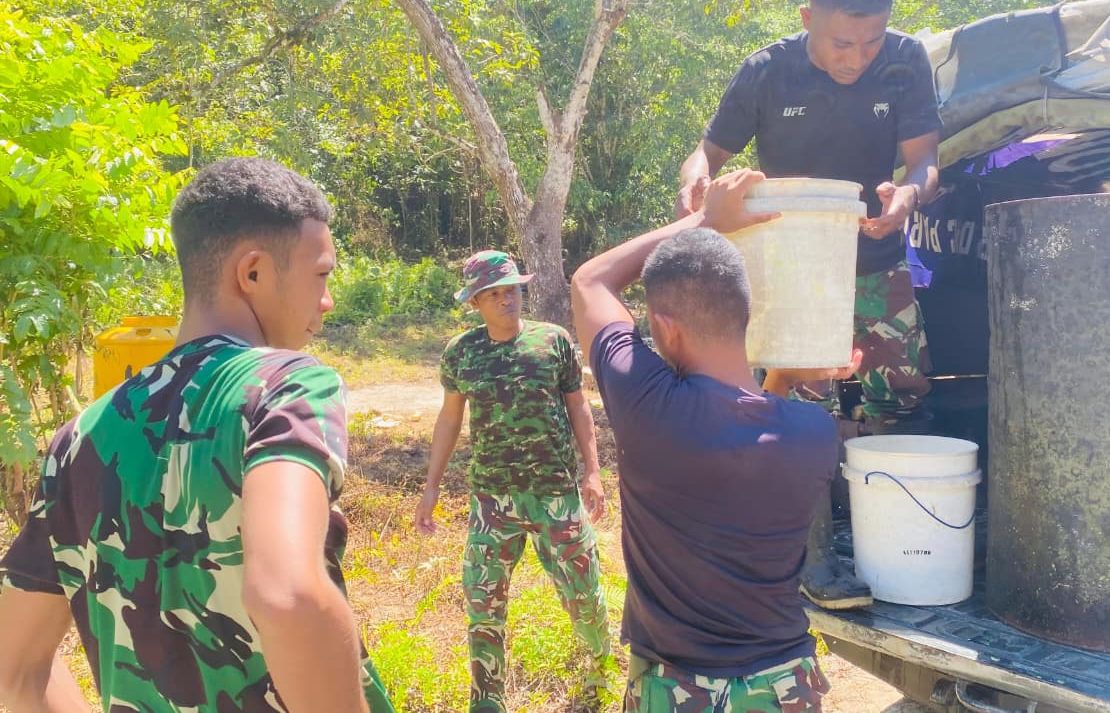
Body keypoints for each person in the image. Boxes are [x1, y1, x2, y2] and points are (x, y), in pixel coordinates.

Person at [0, 157, 393, 712]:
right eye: (321, 275)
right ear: (252, 273)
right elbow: (287, 595)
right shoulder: (284, 386)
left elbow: (13, 670)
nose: (326, 301)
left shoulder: (79, 437)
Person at [571, 168, 861, 712]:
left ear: (666, 328)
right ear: (745, 316)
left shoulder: (647, 407)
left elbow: (592, 281)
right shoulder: (814, 434)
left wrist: (705, 219)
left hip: (675, 688)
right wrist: (786, 377)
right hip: (782, 685)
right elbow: (753, 438)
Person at [676, 0, 941, 434]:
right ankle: (810, 484)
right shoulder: (767, 71)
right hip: (791, 273)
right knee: (795, 415)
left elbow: (924, 160)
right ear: (807, 18)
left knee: (903, 407)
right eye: (841, 44)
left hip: (878, 264)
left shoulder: (905, 60)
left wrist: (908, 195)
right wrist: (695, 179)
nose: (857, 59)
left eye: (872, 42)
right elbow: (707, 153)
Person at [414, 250, 612, 713]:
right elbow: (449, 418)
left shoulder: (552, 341)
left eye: (513, 290)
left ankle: (601, 669)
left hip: (555, 495)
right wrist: (431, 486)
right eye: (495, 295)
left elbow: (578, 406)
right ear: (475, 303)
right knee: (483, 603)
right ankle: (487, 699)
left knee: (583, 595)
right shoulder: (462, 352)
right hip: (492, 501)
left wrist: (593, 470)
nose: (507, 300)